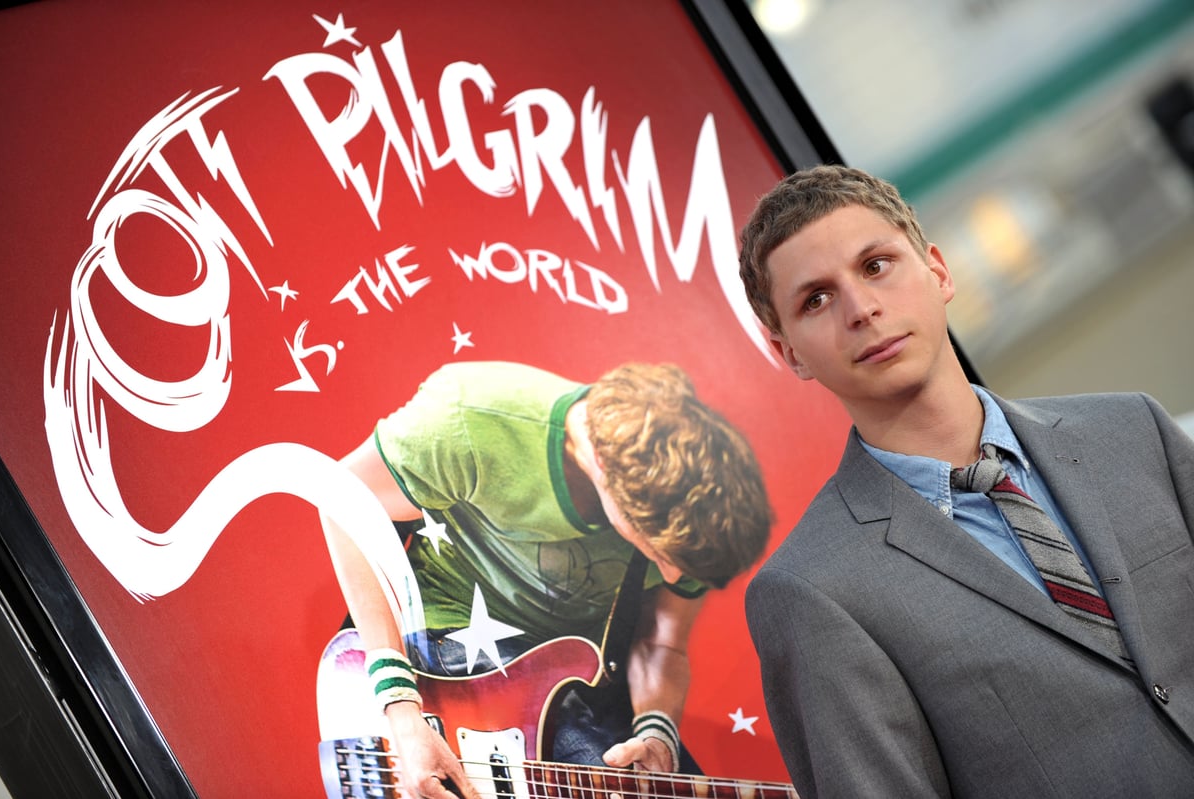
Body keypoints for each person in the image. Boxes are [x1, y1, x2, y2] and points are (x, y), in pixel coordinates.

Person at [738, 164, 1194, 798]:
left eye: (875, 266)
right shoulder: (812, 592)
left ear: (939, 272)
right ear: (788, 353)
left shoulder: (1133, 431)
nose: (862, 309)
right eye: (815, 299)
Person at [320, 359, 770, 799]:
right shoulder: (471, 415)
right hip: (441, 656)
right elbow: (343, 501)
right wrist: (401, 710)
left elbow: (660, 643)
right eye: (661, 553)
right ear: (608, 476)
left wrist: (658, 728)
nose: (670, 574)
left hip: (576, 690)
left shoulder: (696, 516)